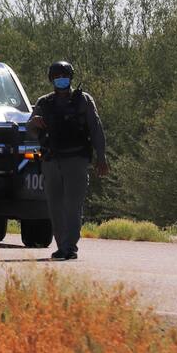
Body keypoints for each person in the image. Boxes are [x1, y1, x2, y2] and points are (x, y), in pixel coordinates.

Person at [28, 60, 109, 261]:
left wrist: (102, 156)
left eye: (64, 77)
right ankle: (61, 245)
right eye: (57, 78)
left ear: (70, 78)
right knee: (55, 205)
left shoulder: (83, 100)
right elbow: (30, 130)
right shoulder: (44, 103)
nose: (61, 81)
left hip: (76, 159)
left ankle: (69, 246)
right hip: (51, 160)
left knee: (73, 205)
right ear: (51, 80)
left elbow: (96, 129)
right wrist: (34, 123)